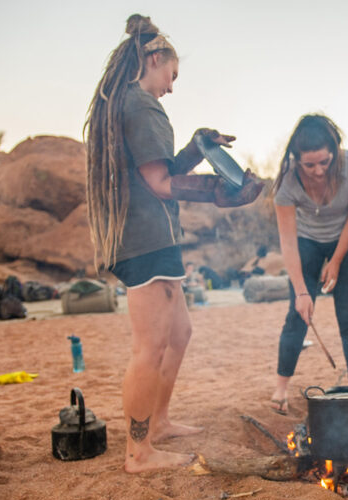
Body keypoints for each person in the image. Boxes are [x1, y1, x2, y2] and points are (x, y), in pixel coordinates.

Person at [85, 14, 263, 472]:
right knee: (150, 348)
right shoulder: (141, 104)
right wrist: (222, 192)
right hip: (144, 242)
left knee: (179, 333)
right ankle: (138, 451)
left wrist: (196, 146)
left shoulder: (127, 101)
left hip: (152, 236)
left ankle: (158, 422)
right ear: (156, 58)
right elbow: (162, 184)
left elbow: (155, 173)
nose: (171, 87)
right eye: (173, 75)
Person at [270, 114, 348, 414]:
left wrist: (336, 260)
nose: (317, 171)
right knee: (297, 315)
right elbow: (288, 241)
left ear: (335, 151)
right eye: (308, 165)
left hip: (347, 239)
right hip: (307, 241)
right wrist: (301, 291)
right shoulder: (287, 181)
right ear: (296, 159)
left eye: (324, 162)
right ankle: (280, 389)